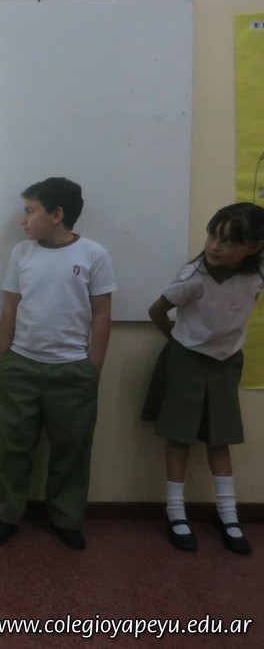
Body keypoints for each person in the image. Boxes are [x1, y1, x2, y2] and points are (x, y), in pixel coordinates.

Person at [0, 177, 116, 550]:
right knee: (14, 447)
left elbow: (102, 314)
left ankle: (66, 518)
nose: (23, 220)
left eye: (30, 211)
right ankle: (5, 515)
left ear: (57, 215)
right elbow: (10, 307)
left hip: (73, 370)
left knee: (71, 451)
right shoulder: (21, 253)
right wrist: (5, 359)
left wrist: (93, 366)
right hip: (21, 366)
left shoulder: (94, 254)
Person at [142, 202, 264, 555]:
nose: (214, 246)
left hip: (226, 363)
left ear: (254, 248)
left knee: (220, 439)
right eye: (213, 235)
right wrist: (177, 341)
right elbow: (157, 310)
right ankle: (175, 512)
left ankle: (228, 514)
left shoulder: (257, 272)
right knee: (179, 437)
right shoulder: (194, 276)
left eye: (228, 241)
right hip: (187, 361)